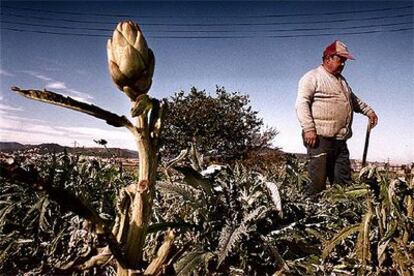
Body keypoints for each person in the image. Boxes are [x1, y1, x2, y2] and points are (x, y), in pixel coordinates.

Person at [295, 40, 378, 195]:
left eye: (344, 62)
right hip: (319, 139)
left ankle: (342, 215)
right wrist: (308, 128)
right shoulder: (312, 77)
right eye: (340, 60)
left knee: (343, 183)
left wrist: (369, 112)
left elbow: (353, 100)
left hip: (340, 140)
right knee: (317, 183)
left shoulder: (342, 81)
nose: (343, 65)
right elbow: (301, 103)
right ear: (328, 59)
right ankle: (311, 214)